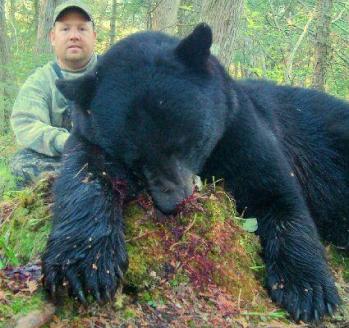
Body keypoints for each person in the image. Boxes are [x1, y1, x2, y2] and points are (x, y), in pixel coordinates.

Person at [10, 0, 97, 187]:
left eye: (82, 29)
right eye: (65, 29)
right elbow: (25, 123)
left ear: (94, 36)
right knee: (21, 164)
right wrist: (66, 141)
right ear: (52, 37)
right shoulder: (41, 81)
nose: (74, 36)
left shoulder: (116, 72)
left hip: (109, 155)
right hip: (64, 158)